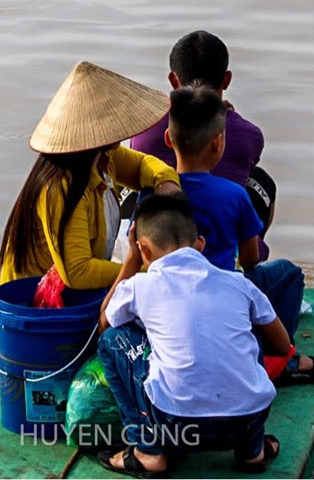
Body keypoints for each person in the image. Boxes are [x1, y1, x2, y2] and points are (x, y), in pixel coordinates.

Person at [97, 193, 289, 477]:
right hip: (248, 419)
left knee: (111, 341)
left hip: (176, 425)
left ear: (143, 250)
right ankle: (252, 451)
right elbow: (282, 345)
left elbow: (104, 322)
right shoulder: (238, 283)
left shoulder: (140, 285)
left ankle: (148, 452)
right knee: (248, 328)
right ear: (200, 244)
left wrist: (131, 262)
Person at [165, 84, 314, 385]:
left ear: (168, 139)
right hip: (224, 292)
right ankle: (282, 358)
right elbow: (251, 258)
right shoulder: (234, 195)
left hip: (170, 296)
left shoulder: (157, 191)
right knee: (289, 273)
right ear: (218, 144)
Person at [0, 61, 181, 289]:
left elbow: (142, 163)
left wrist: (165, 181)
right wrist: (146, 270)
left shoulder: (103, 158)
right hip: (37, 305)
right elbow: (78, 272)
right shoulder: (60, 187)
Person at [130, 30, 277, 259]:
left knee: (135, 179)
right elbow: (250, 262)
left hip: (156, 239)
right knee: (261, 181)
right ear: (226, 79)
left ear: (173, 80)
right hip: (226, 248)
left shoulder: (145, 127)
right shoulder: (249, 134)